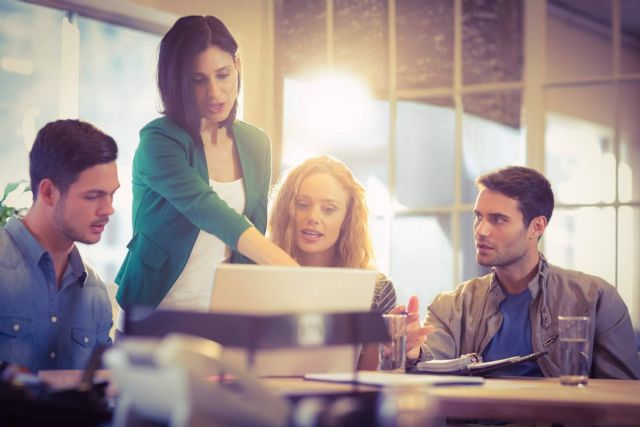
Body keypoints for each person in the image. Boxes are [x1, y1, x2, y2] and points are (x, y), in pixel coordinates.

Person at [115, 16, 296, 322]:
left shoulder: (255, 143)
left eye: (223, 75)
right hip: (154, 315)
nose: (215, 92)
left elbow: (255, 227)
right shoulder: (158, 141)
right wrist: (292, 271)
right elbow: (207, 209)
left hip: (222, 319)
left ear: (238, 67)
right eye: (198, 80)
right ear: (177, 82)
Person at [424, 166, 640, 379]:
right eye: (479, 216)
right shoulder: (452, 306)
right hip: (477, 415)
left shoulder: (596, 299)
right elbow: (428, 366)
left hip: (557, 415)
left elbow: (622, 400)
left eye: (498, 219)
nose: (481, 230)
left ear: (536, 227)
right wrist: (413, 353)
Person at [268, 156, 432, 369]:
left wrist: (408, 351)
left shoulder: (377, 288)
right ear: (286, 211)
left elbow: (380, 379)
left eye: (328, 209)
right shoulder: (257, 275)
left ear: (346, 220)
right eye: (302, 204)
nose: (313, 217)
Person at [0, 119, 118, 372]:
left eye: (111, 194)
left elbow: (100, 390)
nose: (108, 209)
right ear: (49, 193)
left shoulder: (95, 292)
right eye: (93, 196)